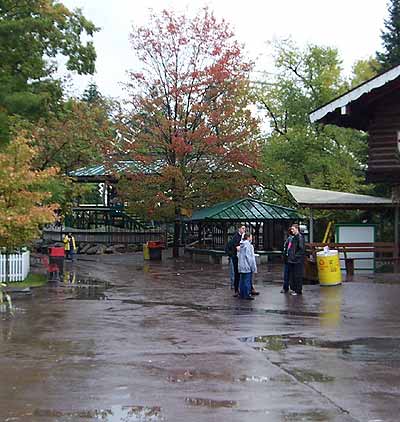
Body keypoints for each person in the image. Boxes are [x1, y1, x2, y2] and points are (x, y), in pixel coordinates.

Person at [225, 225, 246, 297]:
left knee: (242, 273)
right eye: (243, 228)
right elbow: (231, 247)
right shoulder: (235, 237)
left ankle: (244, 288)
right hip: (236, 257)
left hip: (241, 258)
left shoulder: (243, 237)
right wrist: (232, 255)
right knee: (236, 273)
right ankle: (236, 288)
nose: (244, 230)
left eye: (244, 228)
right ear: (239, 229)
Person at [287, 224, 305, 296]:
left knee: (297, 275)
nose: (292, 230)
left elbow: (301, 249)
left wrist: (294, 256)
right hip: (294, 259)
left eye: (293, 229)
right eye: (291, 229)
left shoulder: (299, 237)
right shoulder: (295, 237)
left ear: (297, 229)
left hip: (297, 260)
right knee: (294, 275)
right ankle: (296, 289)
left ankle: (298, 290)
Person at [238, 233, 257, 300]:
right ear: (248, 237)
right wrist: (252, 266)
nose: (252, 238)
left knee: (242, 280)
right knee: (247, 280)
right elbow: (249, 257)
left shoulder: (241, 244)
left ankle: (242, 294)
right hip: (247, 266)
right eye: (251, 237)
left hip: (241, 265)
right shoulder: (248, 245)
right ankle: (247, 294)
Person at [281, 227, 294, 293]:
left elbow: (287, 249)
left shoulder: (290, 239)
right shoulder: (290, 239)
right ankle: (287, 287)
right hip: (288, 258)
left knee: (287, 274)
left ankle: (286, 287)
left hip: (289, 258)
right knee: (288, 274)